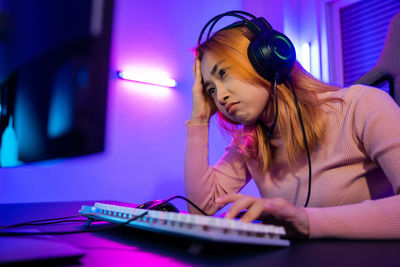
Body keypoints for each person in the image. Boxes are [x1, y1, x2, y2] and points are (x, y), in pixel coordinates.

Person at [184, 11, 400, 239]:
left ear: (266, 59)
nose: (220, 97)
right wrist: (199, 120)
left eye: (224, 73)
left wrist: (305, 220)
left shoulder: (361, 105)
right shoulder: (250, 144)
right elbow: (202, 207)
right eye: (211, 90)